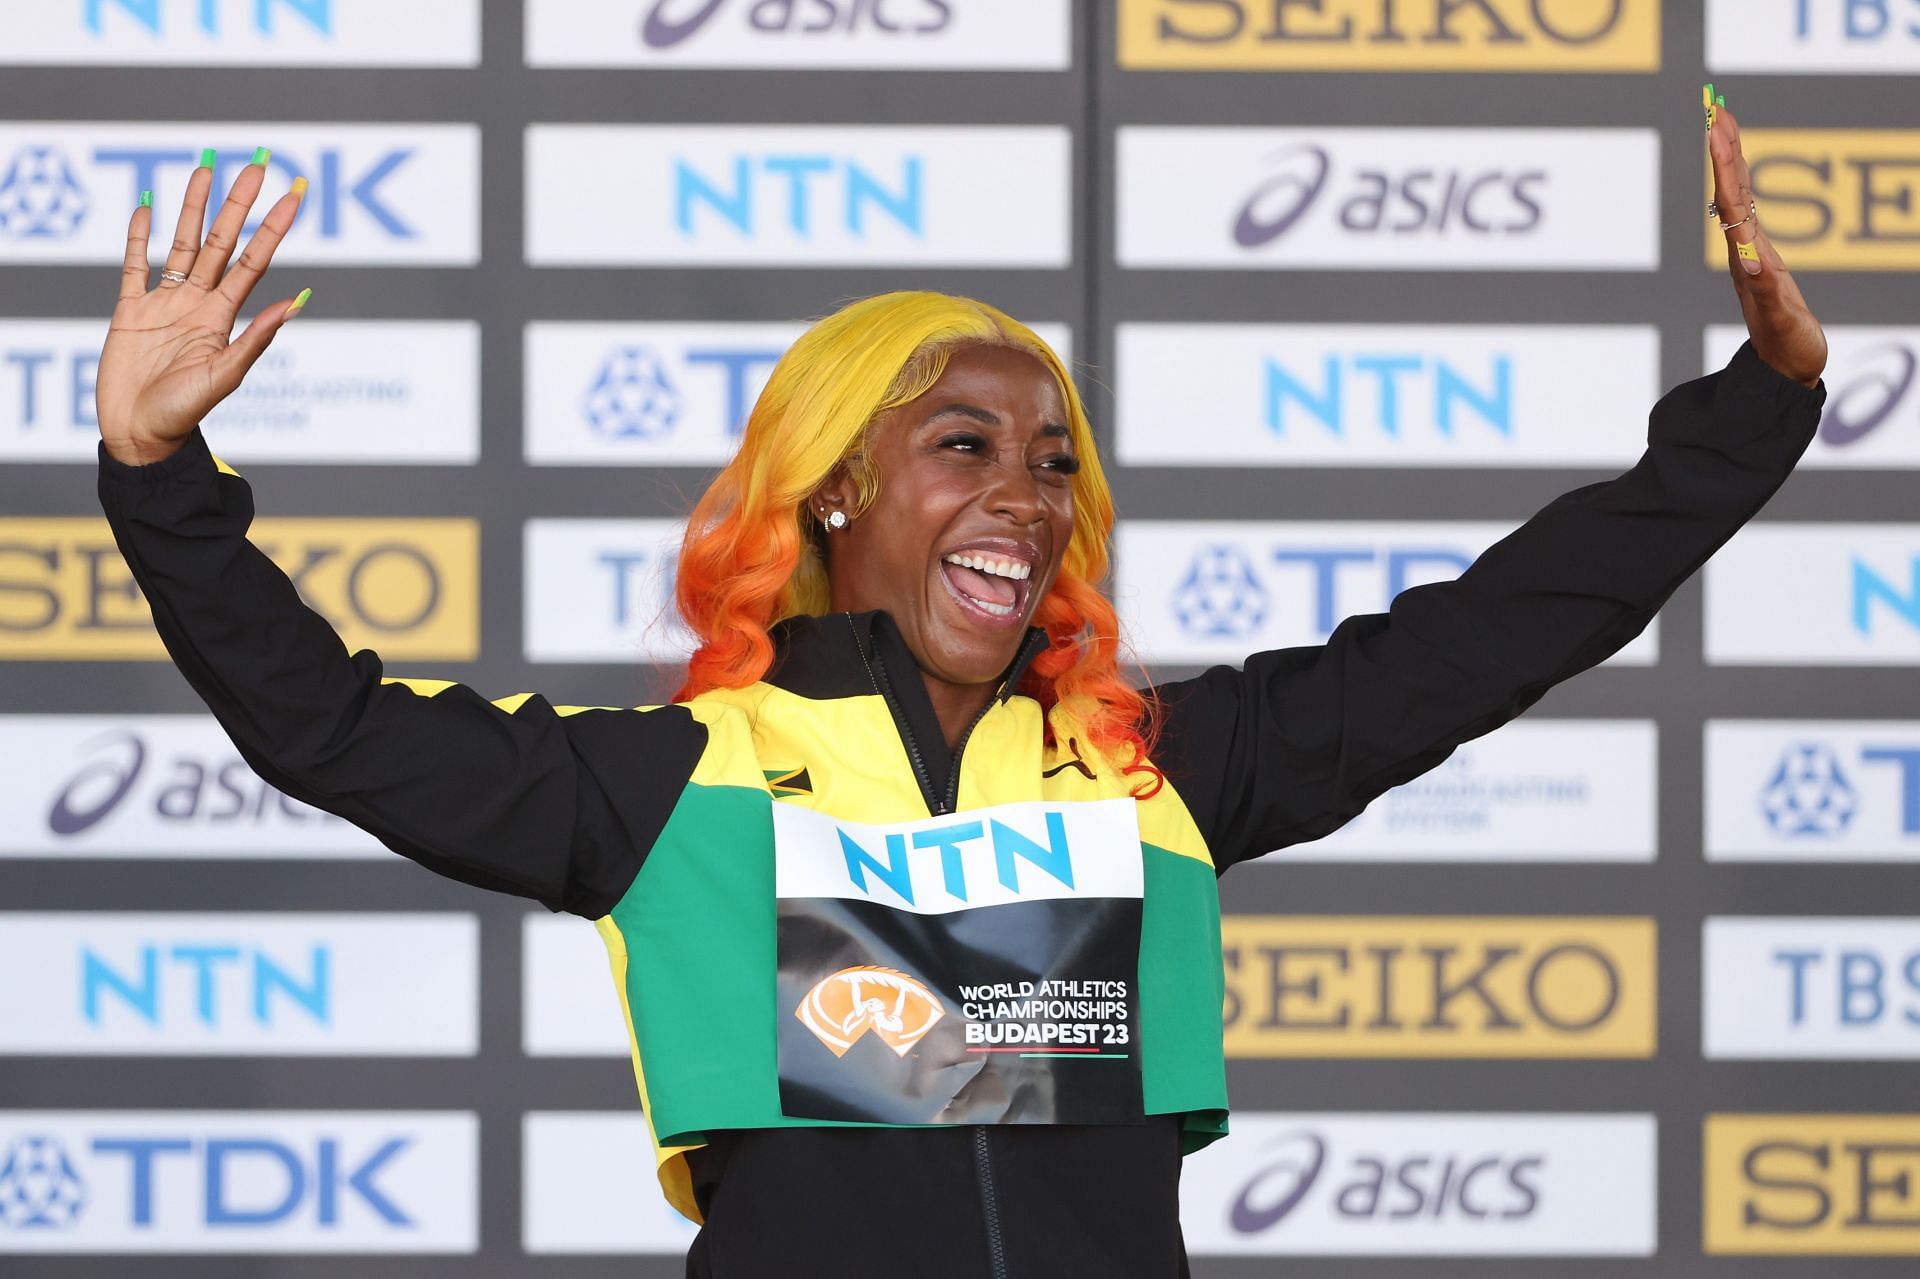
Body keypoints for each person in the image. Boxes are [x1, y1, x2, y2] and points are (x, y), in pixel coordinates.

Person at [93, 94, 1826, 1278]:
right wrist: (160, 474)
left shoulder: (1156, 768)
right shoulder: (673, 784)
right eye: (964, 443)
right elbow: (326, 723)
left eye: (1053, 457)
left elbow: (1507, 626)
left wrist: (1758, 401)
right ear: (838, 483)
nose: (1025, 489)